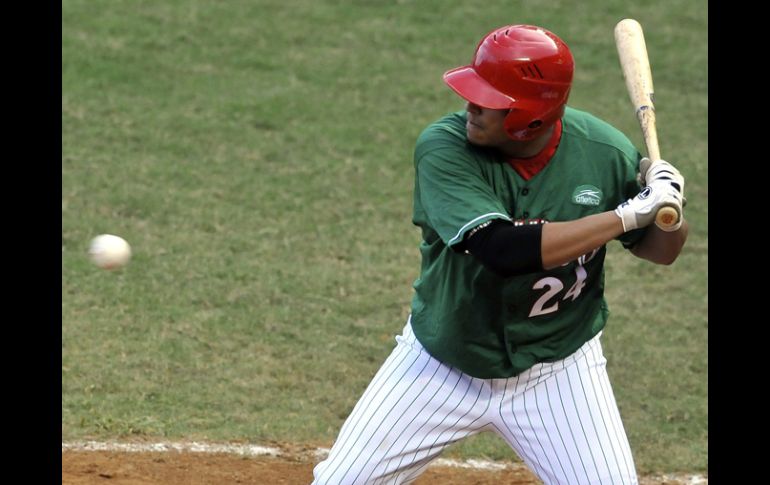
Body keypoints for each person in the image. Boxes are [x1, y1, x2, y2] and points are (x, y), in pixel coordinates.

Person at [312, 24, 687, 485]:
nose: (469, 105)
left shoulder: (603, 152)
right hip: (443, 363)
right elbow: (501, 246)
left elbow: (661, 251)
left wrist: (668, 205)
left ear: (531, 115)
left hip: (558, 371)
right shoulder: (444, 147)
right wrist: (628, 215)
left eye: (488, 98)